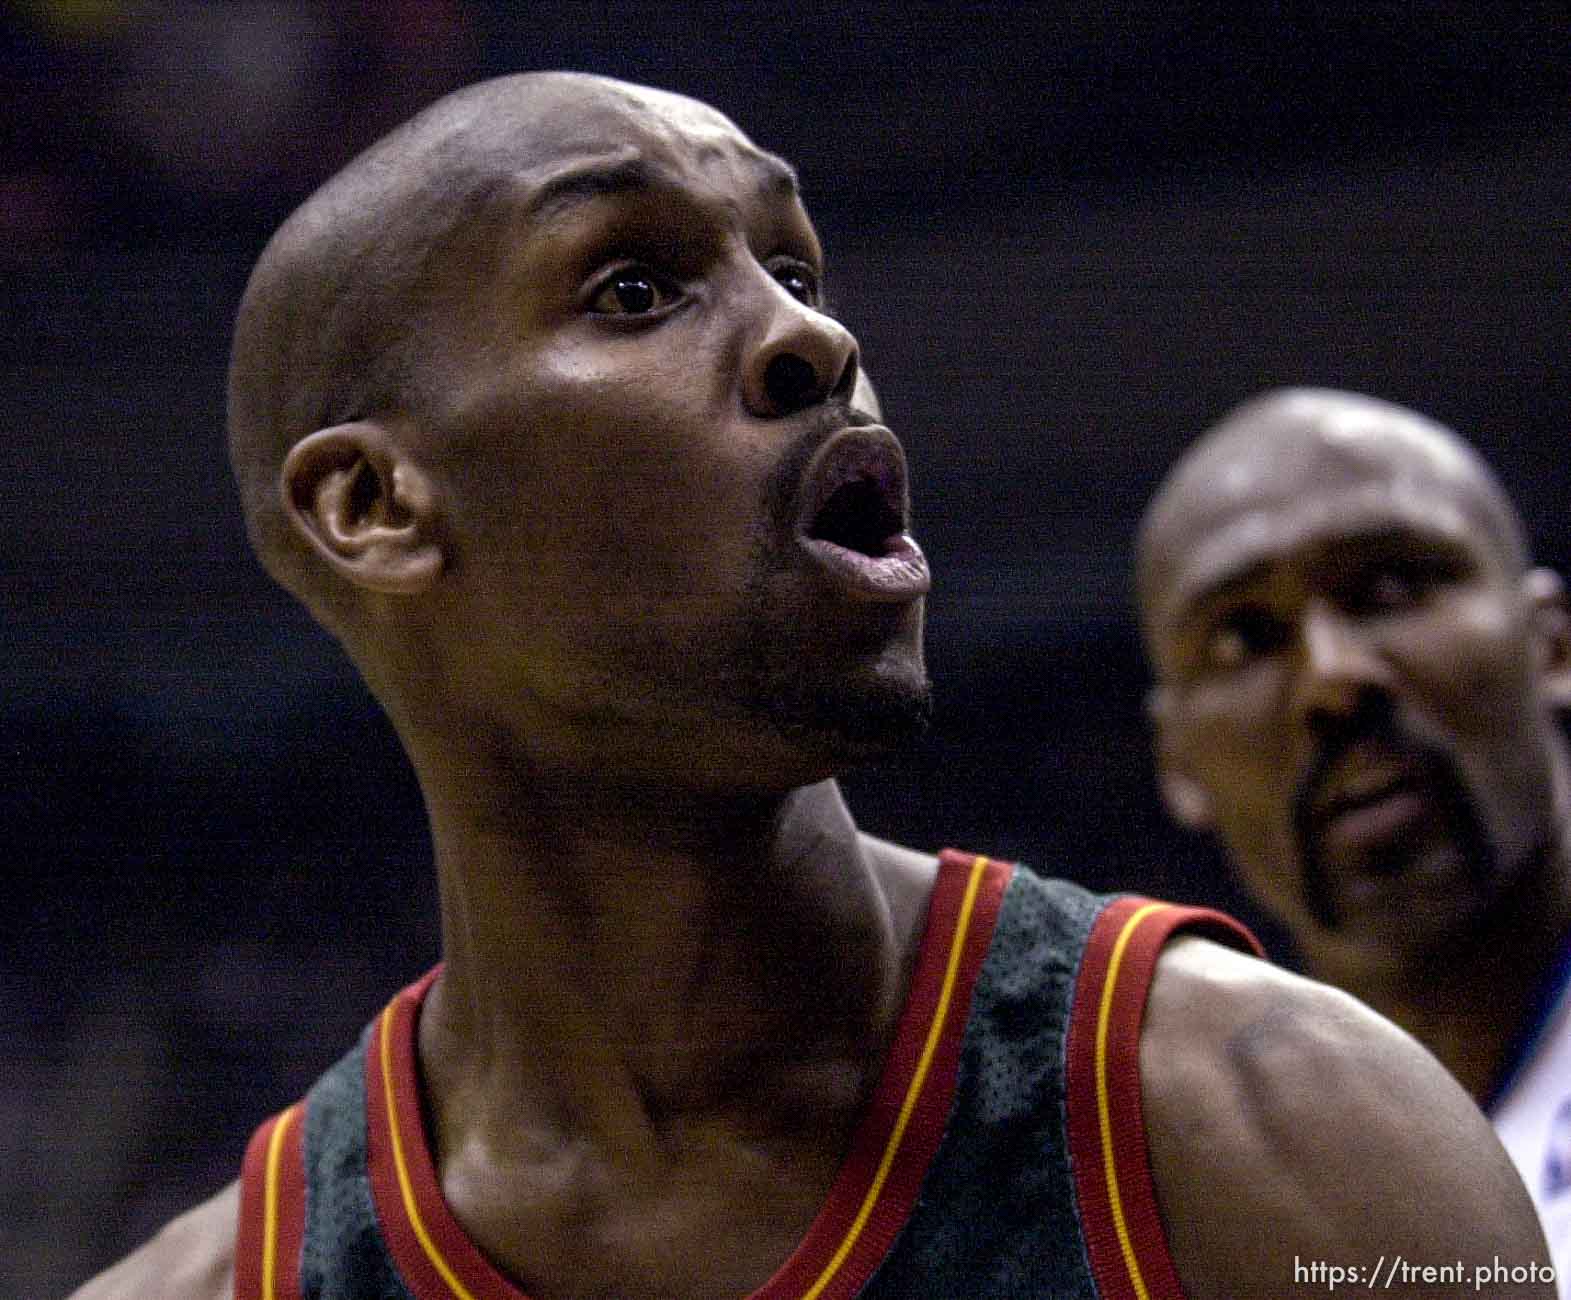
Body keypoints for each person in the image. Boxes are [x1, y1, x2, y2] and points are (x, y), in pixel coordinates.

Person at [74, 77, 1550, 1299]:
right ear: (376, 506)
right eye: (636, 287)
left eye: (791, 267)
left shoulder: (1280, 1138)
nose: (812, 337)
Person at [1137, 385, 1571, 1293]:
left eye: (1390, 585)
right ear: (1177, 763)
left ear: (1550, 648)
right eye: (1241, 640)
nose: (1331, 678)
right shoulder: (1183, 1197)